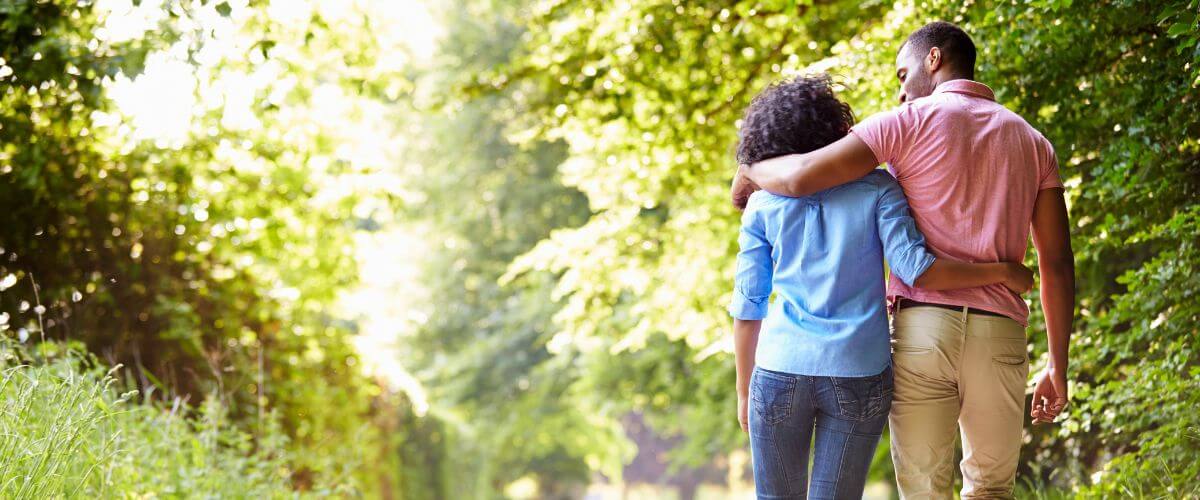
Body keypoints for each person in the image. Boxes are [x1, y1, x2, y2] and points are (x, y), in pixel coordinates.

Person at [732, 22, 1076, 500]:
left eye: (901, 74)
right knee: (992, 488)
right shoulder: (1033, 142)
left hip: (919, 332)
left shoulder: (901, 125)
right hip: (998, 330)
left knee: (923, 491)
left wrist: (749, 166)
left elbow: (803, 177)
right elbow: (1056, 263)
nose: (900, 91)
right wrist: (1057, 364)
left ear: (933, 59)